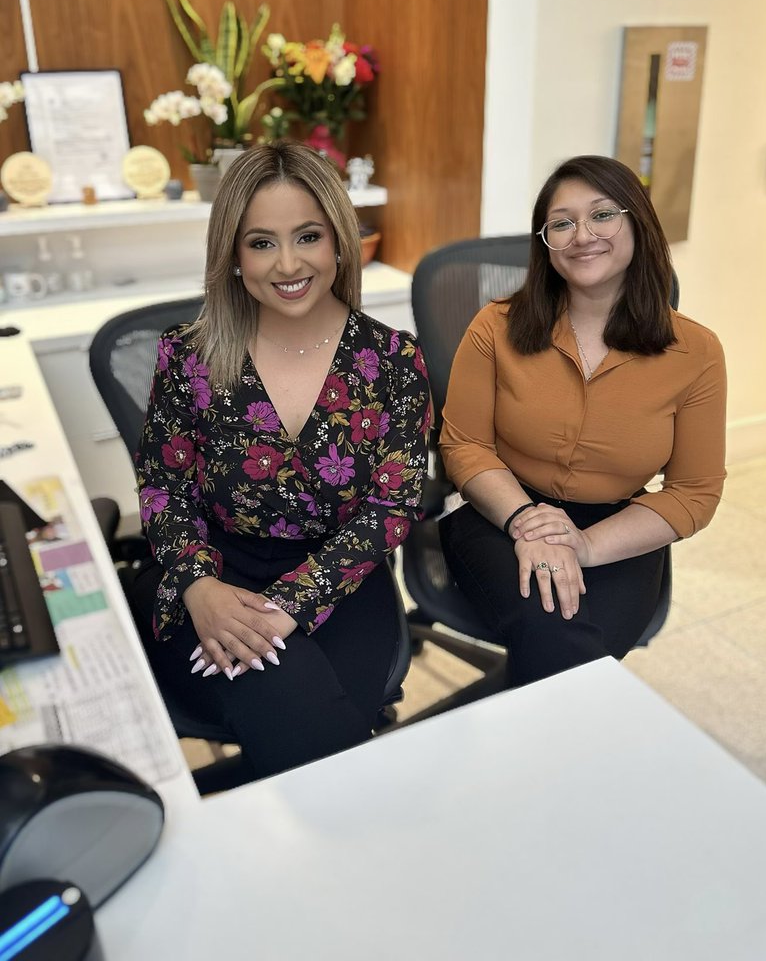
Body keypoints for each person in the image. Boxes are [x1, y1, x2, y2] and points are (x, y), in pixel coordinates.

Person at [132, 142, 430, 785]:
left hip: (341, 577)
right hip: (214, 570)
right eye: (261, 242)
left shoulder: (395, 361)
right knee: (293, 710)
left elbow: (392, 510)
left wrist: (292, 604)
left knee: (314, 727)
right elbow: (163, 488)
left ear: (340, 242)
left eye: (308, 236)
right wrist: (200, 588)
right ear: (233, 257)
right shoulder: (188, 358)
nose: (288, 264)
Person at [439, 155, 726, 686]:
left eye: (601, 215)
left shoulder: (697, 351)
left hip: (620, 530)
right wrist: (530, 523)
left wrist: (586, 545)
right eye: (562, 223)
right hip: (498, 512)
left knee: (575, 657)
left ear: (638, 222)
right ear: (544, 243)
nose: (582, 235)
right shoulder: (495, 327)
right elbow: (464, 445)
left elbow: (694, 492)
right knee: (561, 644)